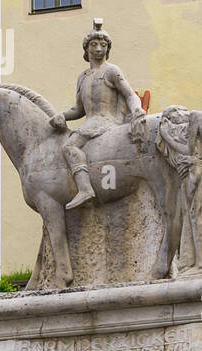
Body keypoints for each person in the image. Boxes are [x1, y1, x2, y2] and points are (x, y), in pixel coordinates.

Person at [49, 19, 146, 209]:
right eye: (94, 44)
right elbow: (78, 109)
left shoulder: (111, 71)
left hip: (107, 121)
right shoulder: (83, 77)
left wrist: (137, 110)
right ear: (86, 50)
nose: (99, 48)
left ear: (108, 49)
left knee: (69, 147)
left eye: (103, 45)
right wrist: (62, 115)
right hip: (90, 122)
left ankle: (85, 189)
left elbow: (130, 95)